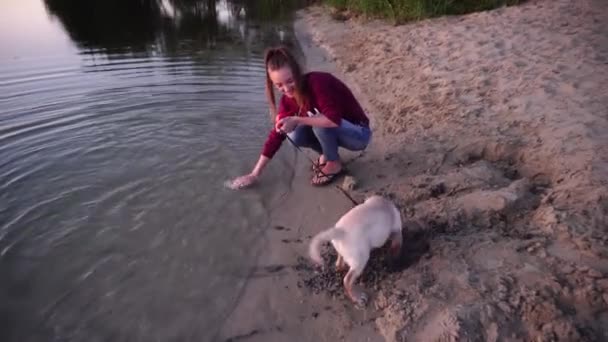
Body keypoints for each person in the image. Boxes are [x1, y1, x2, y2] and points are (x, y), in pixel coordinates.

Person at [229, 45, 371, 189]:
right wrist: (254, 173)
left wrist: (297, 119)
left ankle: (333, 163)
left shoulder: (318, 83)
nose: (286, 89)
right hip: (335, 129)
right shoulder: (287, 101)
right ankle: (328, 155)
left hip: (358, 134)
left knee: (318, 122)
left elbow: (332, 120)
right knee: (294, 135)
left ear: (298, 73)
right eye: (279, 85)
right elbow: (276, 136)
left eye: (290, 81)